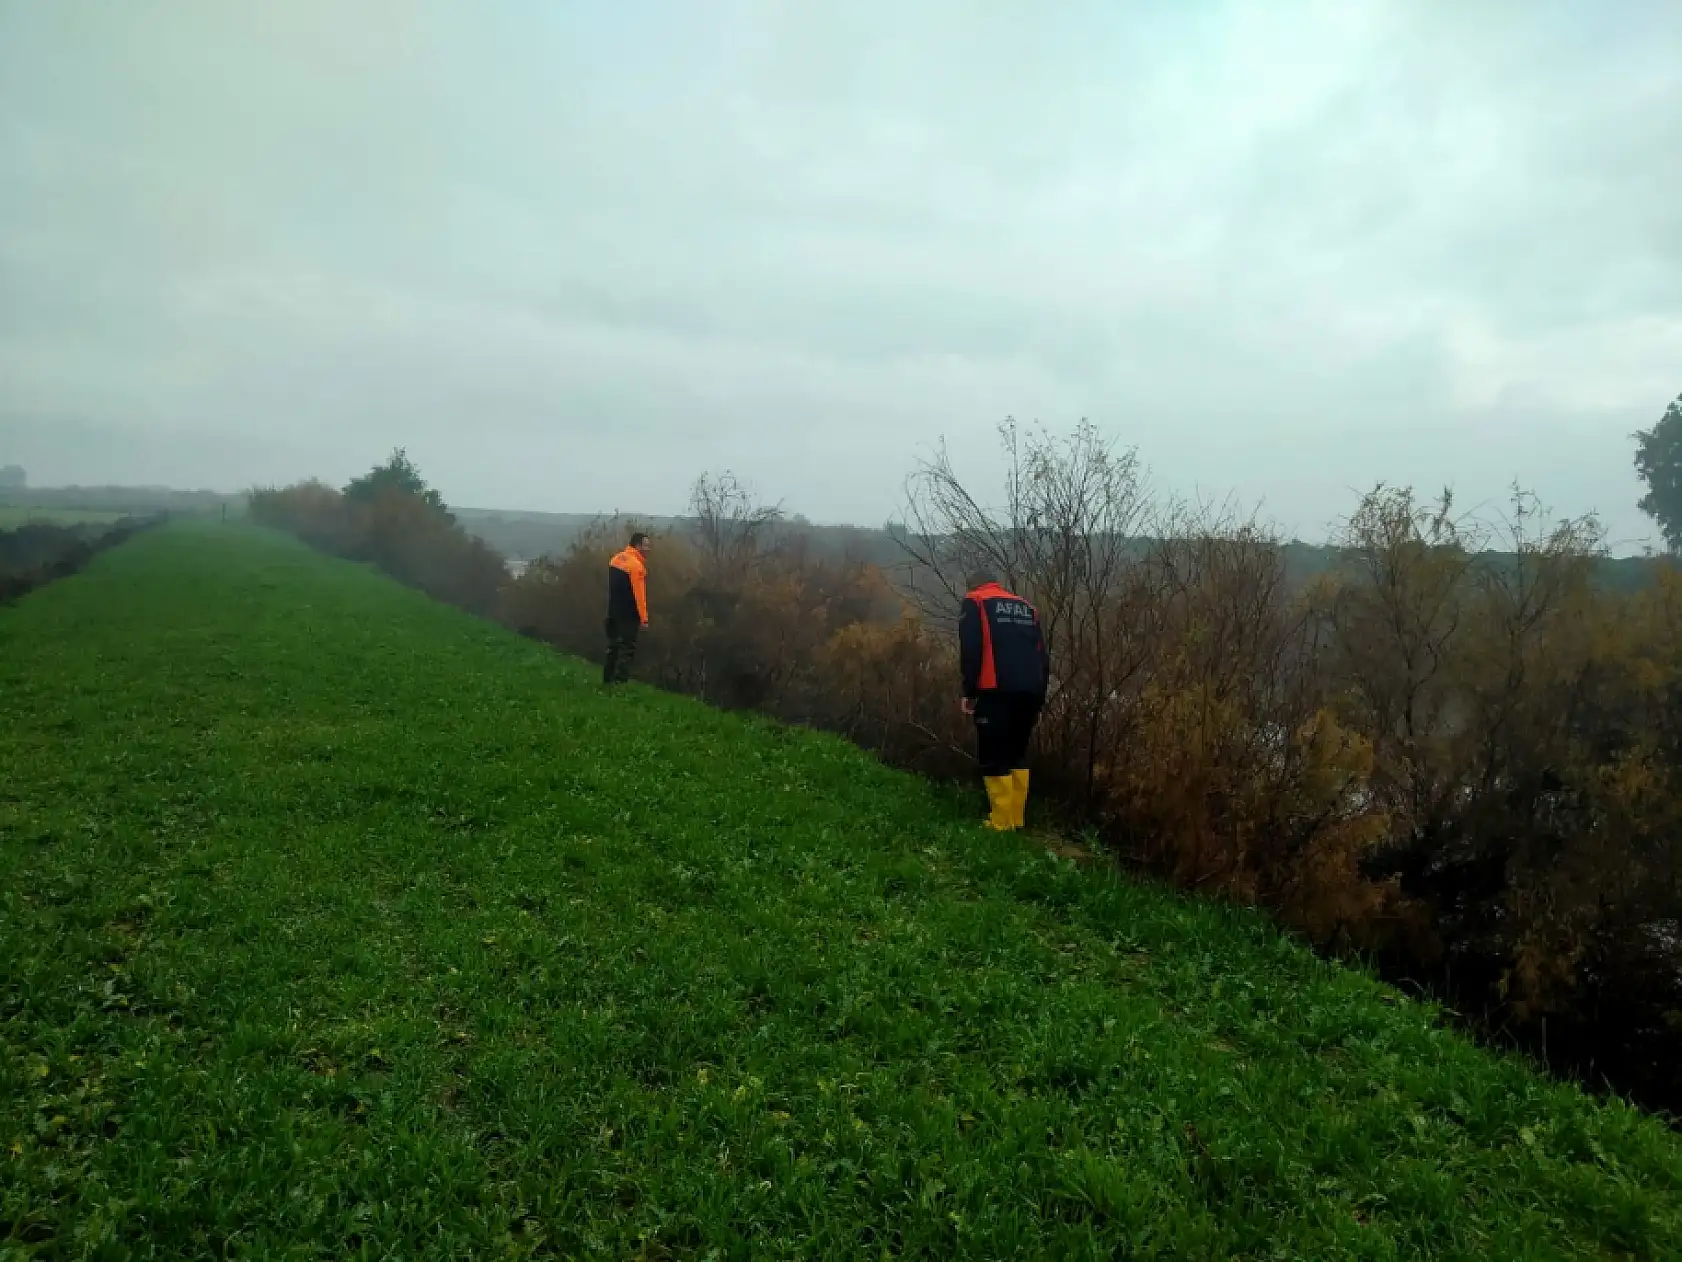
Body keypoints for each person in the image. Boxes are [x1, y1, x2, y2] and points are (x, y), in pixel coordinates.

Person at [959, 569, 1049, 831]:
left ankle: (1000, 822)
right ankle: (1016, 819)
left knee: (993, 753)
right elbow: (1042, 657)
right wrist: (1040, 696)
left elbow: (971, 650)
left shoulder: (975, 601)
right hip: (1030, 691)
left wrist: (969, 691)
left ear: (972, 585)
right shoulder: (1027, 608)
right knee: (1017, 753)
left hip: (994, 690)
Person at [604, 531, 650, 685]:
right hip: (629, 614)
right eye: (646, 546)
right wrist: (644, 619)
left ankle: (607, 679)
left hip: (612, 611)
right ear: (637, 546)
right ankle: (620, 683)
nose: (648, 549)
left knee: (613, 647)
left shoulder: (615, 559)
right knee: (627, 649)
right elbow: (639, 595)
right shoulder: (636, 567)